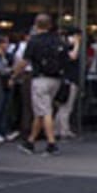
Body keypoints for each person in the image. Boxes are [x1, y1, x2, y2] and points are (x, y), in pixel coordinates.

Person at [16, 14, 65, 156]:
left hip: (40, 78)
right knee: (41, 111)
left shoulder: (34, 41)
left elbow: (24, 61)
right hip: (56, 79)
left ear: (36, 25)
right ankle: (30, 141)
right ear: (50, 25)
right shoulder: (58, 40)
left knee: (45, 111)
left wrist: (15, 74)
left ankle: (51, 143)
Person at [53, 28, 82, 141]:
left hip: (65, 79)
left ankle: (57, 129)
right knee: (66, 106)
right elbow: (73, 56)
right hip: (69, 80)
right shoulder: (68, 46)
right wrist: (77, 44)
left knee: (63, 106)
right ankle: (63, 130)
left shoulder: (62, 46)